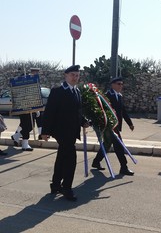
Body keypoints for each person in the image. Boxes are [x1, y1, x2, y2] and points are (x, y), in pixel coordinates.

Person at [41, 65, 89, 201]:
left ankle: (55, 184)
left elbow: (77, 111)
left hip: (73, 132)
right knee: (70, 160)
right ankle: (66, 187)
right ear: (65, 76)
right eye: (72, 75)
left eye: (77, 75)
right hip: (62, 132)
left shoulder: (77, 91)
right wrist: (45, 131)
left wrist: (83, 121)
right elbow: (50, 112)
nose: (75, 77)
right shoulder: (58, 91)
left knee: (62, 158)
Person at [92, 76, 135, 176]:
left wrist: (130, 123)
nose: (121, 86)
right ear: (113, 85)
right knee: (119, 145)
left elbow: (123, 111)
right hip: (109, 126)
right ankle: (124, 167)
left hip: (116, 126)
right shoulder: (107, 96)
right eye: (119, 84)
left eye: (122, 84)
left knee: (107, 145)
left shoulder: (119, 96)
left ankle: (96, 161)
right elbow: (101, 111)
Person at [11, 68, 42, 150]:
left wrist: (37, 109)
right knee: (27, 126)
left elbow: (34, 97)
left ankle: (19, 139)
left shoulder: (33, 83)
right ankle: (21, 140)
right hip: (23, 109)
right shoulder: (22, 87)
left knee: (28, 126)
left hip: (30, 109)